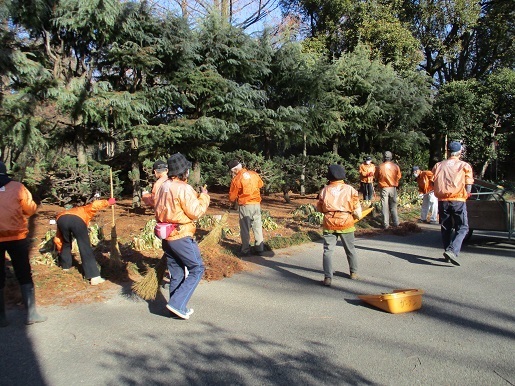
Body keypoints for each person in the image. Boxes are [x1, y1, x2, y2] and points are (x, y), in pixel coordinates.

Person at [154, 153, 209, 320]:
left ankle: (175, 307)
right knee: (197, 268)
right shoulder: (184, 188)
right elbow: (196, 212)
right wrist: (204, 196)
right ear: (184, 171)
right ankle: (177, 304)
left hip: (167, 236)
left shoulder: (163, 185)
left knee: (176, 272)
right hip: (181, 235)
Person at [0, 161, 46, 326]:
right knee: (24, 273)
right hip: (16, 237)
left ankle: (1, 318)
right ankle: (31, 314)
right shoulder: (17, 187)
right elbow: (31, 209)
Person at [316, 164, 362, 286]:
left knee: (327, 251)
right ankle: (354, 273)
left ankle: (328, 278)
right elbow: (357, 208)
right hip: (346, 222)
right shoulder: (350, 189)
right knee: (350, 249)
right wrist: (357, 216)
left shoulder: (325, 190)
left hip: (329, 223)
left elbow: (319, 208)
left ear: (329, 176)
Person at [53, 197, 116, 285]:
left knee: (66, 242)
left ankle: (65, 266)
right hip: (77, 221)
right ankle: (94, 277)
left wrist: (59, 250)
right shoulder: (83, 209)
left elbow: (58, 239)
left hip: (61, 220)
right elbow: (95, 205)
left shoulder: (64, 213)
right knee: (84, 246)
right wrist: (108, 202)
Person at [432, 141, 474, 266]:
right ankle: (453, 251)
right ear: (460, 152)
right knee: (463, 227)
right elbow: (469, 182)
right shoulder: (464, 165)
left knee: (446, 227)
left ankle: (447, 252)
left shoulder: (438, 165)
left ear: (448, 151)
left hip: (442, 201)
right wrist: (467, 193)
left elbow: (432, 180)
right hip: (458, 199)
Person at [228, 160, 264, 256]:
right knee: (257, 226)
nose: (232, 173)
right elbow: (261, 184)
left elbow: (232, 196)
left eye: (232, 171)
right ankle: (259, 249)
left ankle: (245, 250)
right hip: (256, 203)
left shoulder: (237, 179)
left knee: (245, 228)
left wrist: (231, 202)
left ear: (235, 169)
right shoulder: (254, 174)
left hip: (245, 205)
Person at [375, 151, 402, 229]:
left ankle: (386, 224)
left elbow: (376, 176)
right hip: (393, 188)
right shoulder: (396, 166)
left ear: (384, 157)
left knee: (385, 206)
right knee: (393, 206)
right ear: (391, 157)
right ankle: (396, 222)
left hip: (384, 188)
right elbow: (399, 176)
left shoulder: (380, 166)